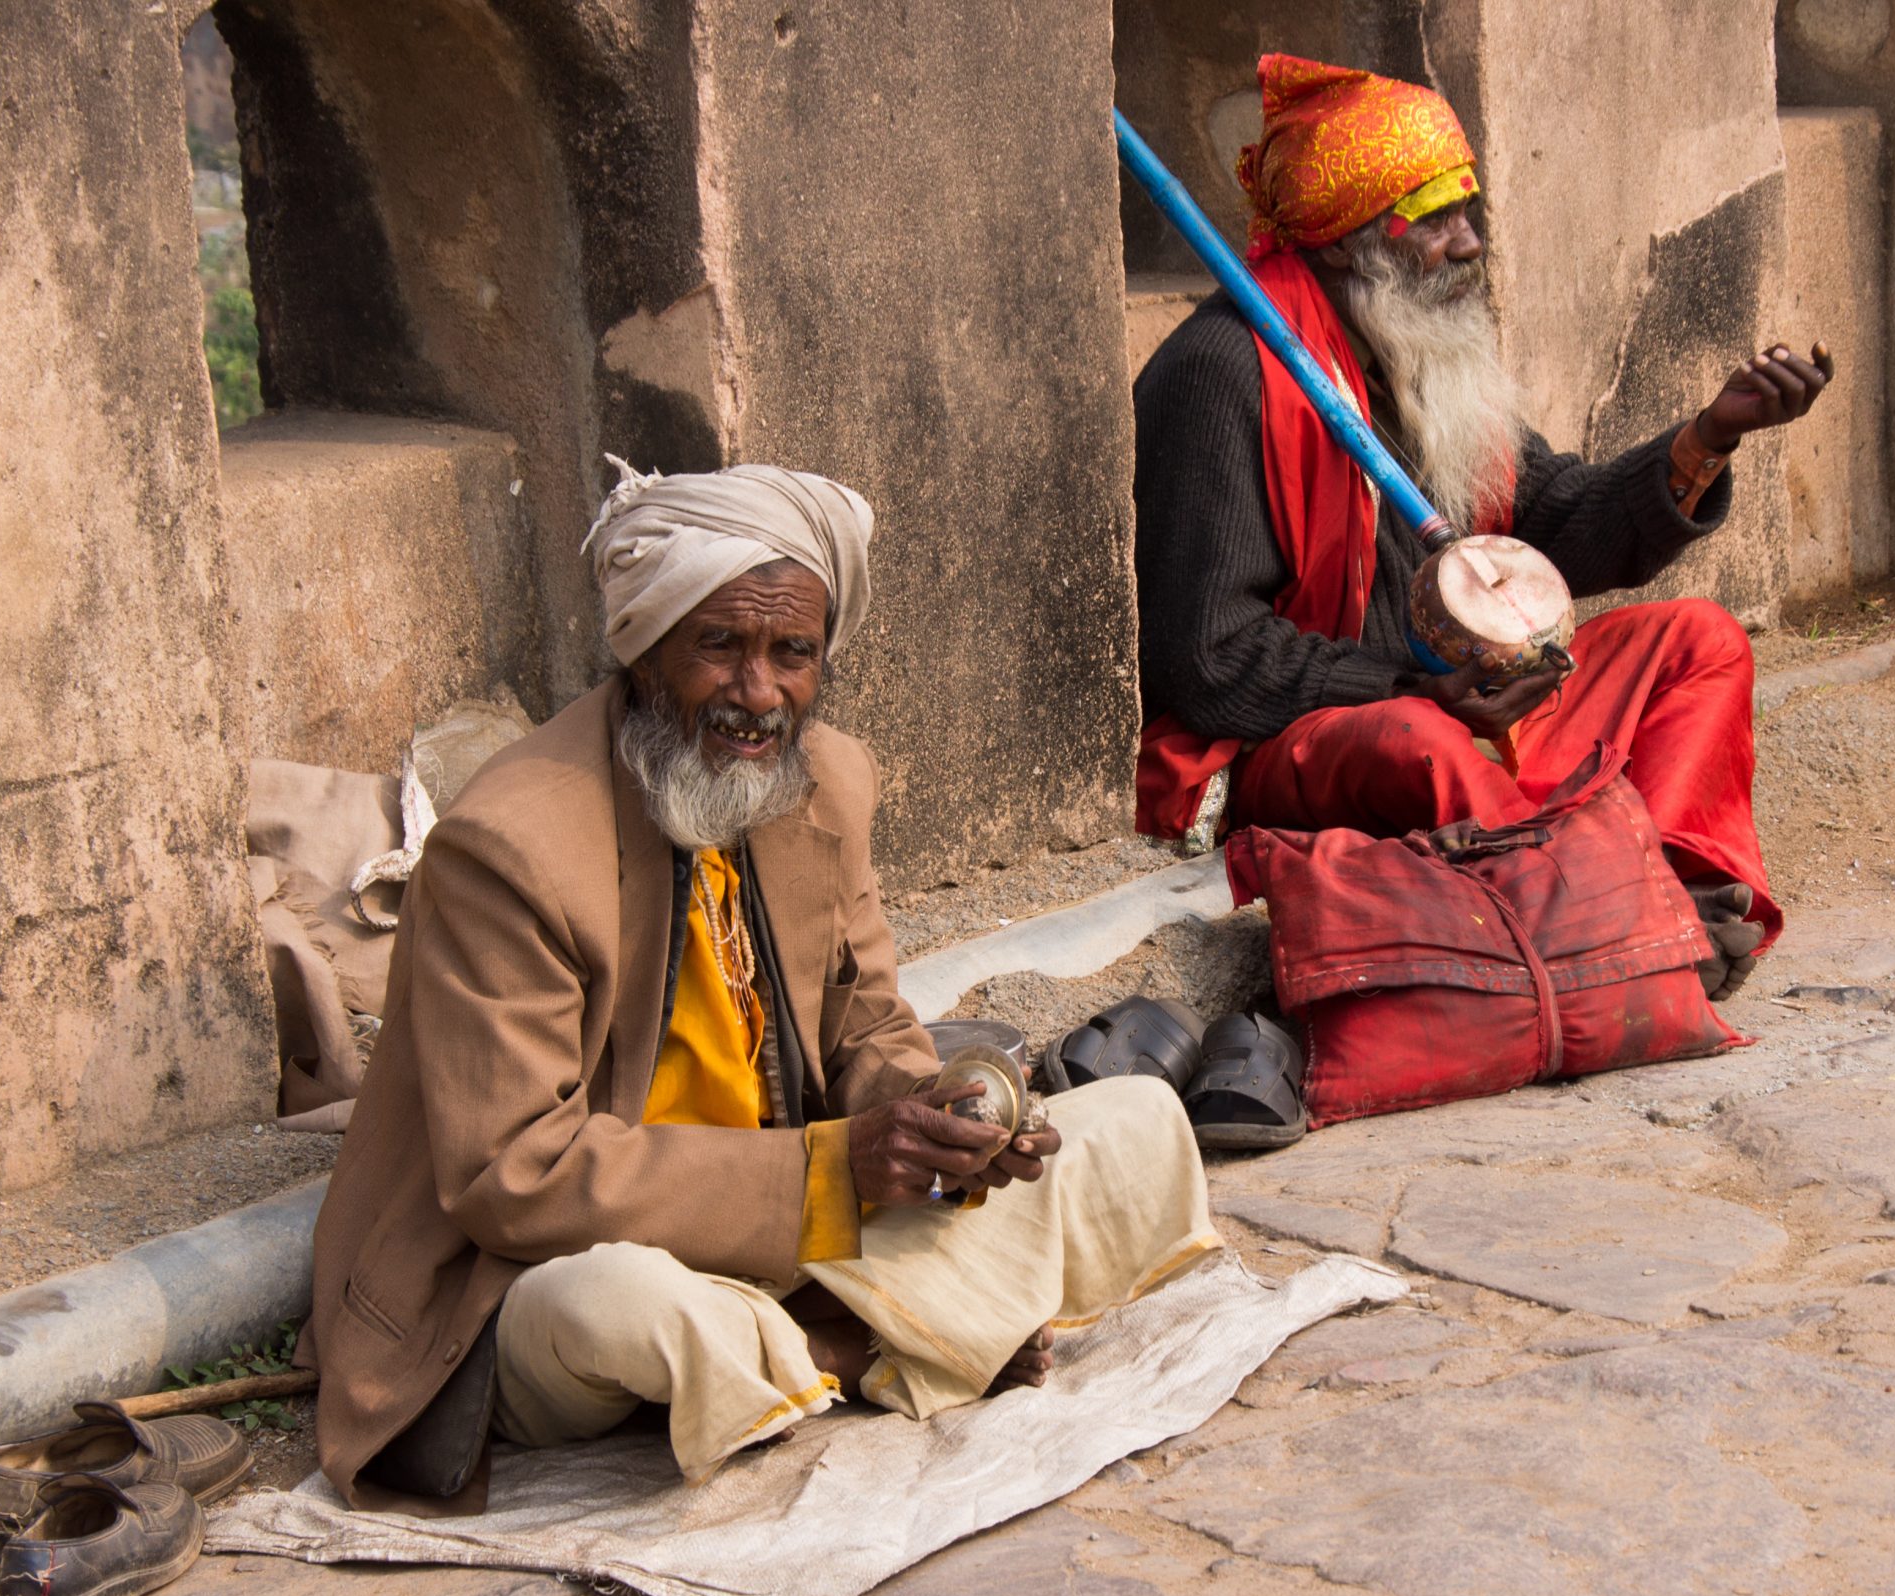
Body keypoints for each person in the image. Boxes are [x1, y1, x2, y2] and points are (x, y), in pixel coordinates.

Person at [301, 461, 1219, 1512]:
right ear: (644, 649)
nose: (759, 694)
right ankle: (877, 1339)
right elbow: (515, 1175)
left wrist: (936, 1115)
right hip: (542, 1265)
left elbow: (865, 1017)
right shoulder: (507, 852)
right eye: (719, 648)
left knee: (1142, 1120)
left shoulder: (824, 780)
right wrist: (831, 1175)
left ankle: (856, 1339)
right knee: (631, 1310)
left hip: (791, 1226)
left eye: (792, 654)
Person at [1133, 54, 1834, 998]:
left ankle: (1654, 886)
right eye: (1435, 221)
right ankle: (1619, 924)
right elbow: (1212, 660)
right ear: (1344, 245)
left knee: (1699, 641)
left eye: (1469, 214)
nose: (1469, 246)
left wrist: (1708, 437)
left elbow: (1560, 522)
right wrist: (1416, 686)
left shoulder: (1429, 356)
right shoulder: (1223, 374)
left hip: (1472, 711)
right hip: (1322, 742)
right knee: (1421, 746)